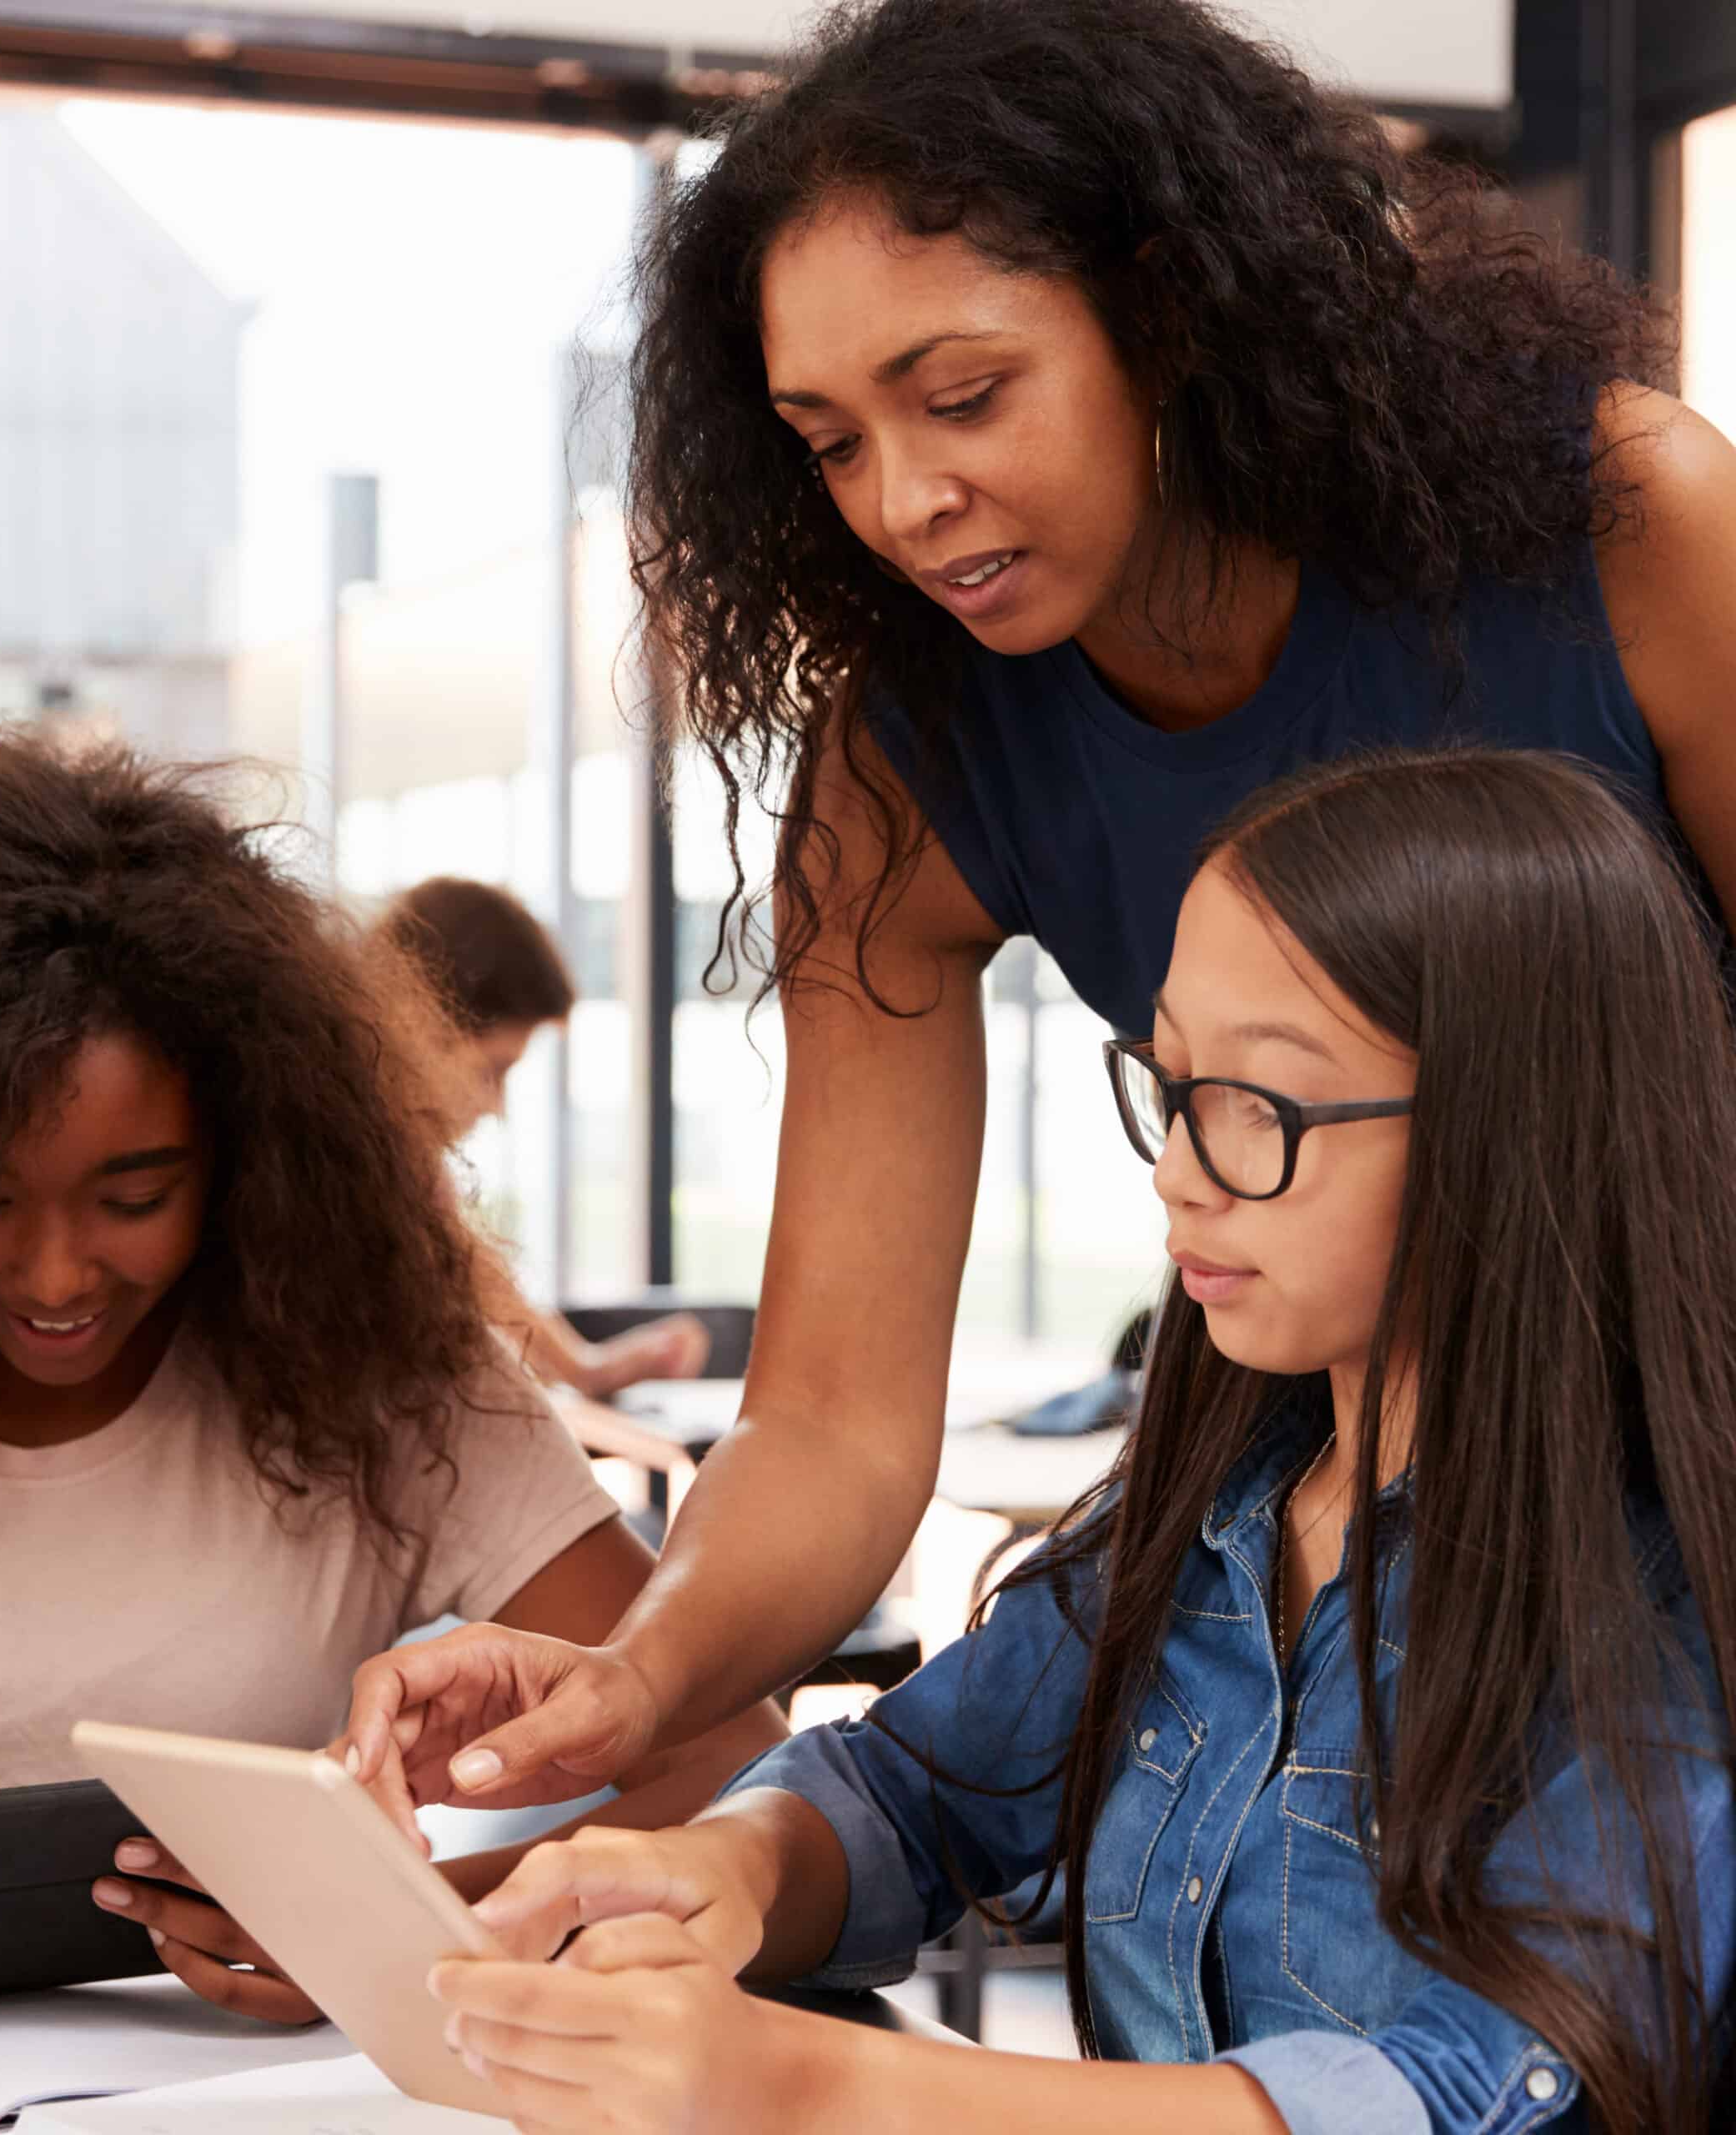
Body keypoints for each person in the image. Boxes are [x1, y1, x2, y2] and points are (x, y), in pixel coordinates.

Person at [334, 0, 1736, 1836]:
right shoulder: (907, 761)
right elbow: (831, 1417)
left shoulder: (1631, 520)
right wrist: (641, 1675)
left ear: (1164, 314)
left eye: (963, 395)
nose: (905, 503)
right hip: (1357, 1556)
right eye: (826, 440)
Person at [429, 748, 1736, 2134]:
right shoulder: (1201, 1529)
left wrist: (817, 2087)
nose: (1177, 1169)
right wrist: (725, 1872)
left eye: (1261, 1108)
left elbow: (1463, 2084)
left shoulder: (1662, 1615)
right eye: (1173, 1084)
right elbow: (906, 1790)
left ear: (1516, 1127)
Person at [0, 737, 783, 2011]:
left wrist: (406, 1924)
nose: (55, 1277)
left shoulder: (389, 1386)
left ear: (243, 1151)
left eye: (134, 1194)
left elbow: (734, 1761)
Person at [374, 876, 711, 1398]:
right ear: (417, 1027)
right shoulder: (364, 1160)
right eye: (493, 1070)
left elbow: (477, 1273)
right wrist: (588, 1369)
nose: (495, 1106)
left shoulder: (409, 1170)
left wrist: (588, 1368)